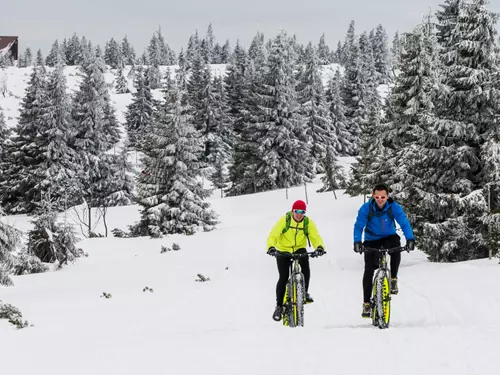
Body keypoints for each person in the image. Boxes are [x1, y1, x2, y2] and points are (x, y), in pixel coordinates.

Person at [353, 183, 415, 318]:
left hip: (389, 237)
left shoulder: (394, 207)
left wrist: (410, 239)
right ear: (373, 196)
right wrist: (357, 241)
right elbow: (358, 225)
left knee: (396, 248)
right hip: (371, 239)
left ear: (387, 196)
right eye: (377, 197)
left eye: (383, 197)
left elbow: (404, 222)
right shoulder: (366, 208)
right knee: (369, 270)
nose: (380, 199)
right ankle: (366, 304)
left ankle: (393, 279)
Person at [267, 200, 326, 322]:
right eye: (297, 211)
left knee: (306, 269)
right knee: (283, 277)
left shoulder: (307, 222)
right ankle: (279, 306)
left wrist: (319, 247)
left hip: (299, 248)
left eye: (302, 212)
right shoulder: (285, 220)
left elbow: (315, 236)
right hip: (283, 250)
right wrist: (271, 247)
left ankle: (304, 292)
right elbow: (274, 234)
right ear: (292, 211)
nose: (299, 214)